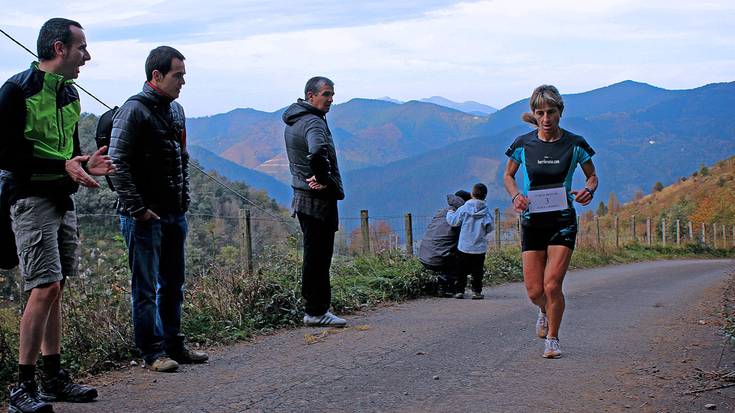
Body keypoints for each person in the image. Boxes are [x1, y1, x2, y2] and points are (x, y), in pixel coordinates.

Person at [0, 17, 115, 412]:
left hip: (62, 198)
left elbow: (72, 152)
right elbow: (7, 154)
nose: (87, 55)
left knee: (57, 287)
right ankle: (22, 387)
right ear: (59, 48)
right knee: (43, 286)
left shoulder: (69, 93)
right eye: (81, 46)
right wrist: (62, 165)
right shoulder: (16, 90)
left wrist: (85, 164)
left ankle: (52, 378)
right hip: (29, 198)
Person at [109, 46, 208, 373]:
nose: (182, 82)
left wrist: (183, 202)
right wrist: (138, 209)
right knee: (146, 287)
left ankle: (174, 345)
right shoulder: (133, 112)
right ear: (156, 75)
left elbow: (182, 159)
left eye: (183, 75)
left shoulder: (176, 111)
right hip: (143, 217)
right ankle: (152, 353)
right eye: (177, 75)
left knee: (173, 282)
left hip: (173, 213)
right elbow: (116, 163)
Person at [503, 84, 598, 358]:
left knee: (552, 284)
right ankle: (544, 310)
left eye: (551, 112)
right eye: (540, 112)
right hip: (533, 222)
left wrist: (588, 190)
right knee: (534, 291)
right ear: (534, 114)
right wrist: (515, 196)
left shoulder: (575, 143)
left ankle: (553, 339)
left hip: (563, 220)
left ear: (560, 112)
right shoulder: (523, 144)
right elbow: (508, 176)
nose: (546, 118)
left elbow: (592, 176)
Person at [283, 76, 347, 327]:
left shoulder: (294, 121)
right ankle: (317, 310)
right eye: (327, 94)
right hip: (318, 201)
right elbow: (318, 150)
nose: (331, 100)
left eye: (332, 95)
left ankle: (314, 308)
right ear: (311, 96)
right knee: (320, 257)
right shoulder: (314, 123)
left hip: (301, 198)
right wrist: (323, 179)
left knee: (313, 255)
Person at [418, 190, 472, 296]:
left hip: (424, 255)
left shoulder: (441, 212)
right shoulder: (461, 216)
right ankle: (444, 283)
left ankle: (446, 284)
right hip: (438, 258)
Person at [446, 183, 494, 299]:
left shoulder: (464, 208)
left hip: (464, 246)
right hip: (479, 248)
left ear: (472, 194)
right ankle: (476, 292)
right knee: (477, 271)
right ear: (485, 196)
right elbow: (490, 227)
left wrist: (450, 212)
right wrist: (482, 233)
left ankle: (459, 291)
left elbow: (454, 222)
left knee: (460, 270)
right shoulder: (486, 211)